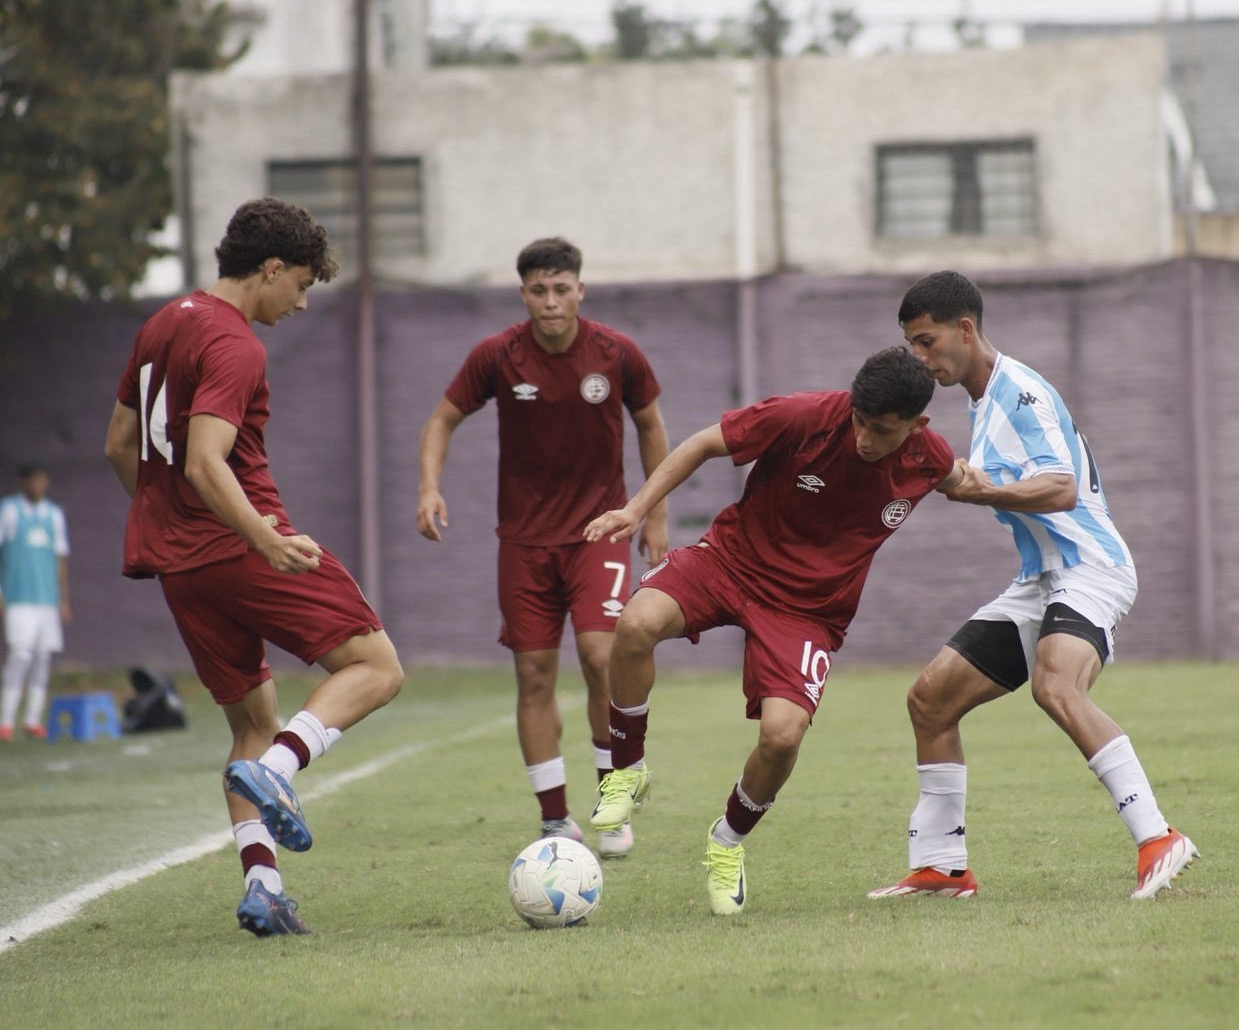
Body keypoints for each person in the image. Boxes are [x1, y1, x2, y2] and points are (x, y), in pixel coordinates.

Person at [103, 197, 405, 937]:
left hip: (180, 565)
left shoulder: (163, 322)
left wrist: (168, 524)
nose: (301, 302)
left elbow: (118, 446)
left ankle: (263, 888)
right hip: (241, 547)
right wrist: (261, 540)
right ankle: (284, 769)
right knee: (376, 665)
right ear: (269, 268)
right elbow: (207, 461)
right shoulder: (235, 343)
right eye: (299, 284)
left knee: (252, 724)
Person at [583, 347, 961, 916]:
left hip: (807, 611)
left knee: (783, 737)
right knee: (635, 623)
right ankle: (626, 771)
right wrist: (637, 509)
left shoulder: (929, 459)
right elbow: (702, 444)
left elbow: (966, 482)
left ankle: (727, 841)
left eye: (881, 430)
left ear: (917, 425)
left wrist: (1044, 499)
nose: (863, 437)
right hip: (730, 561)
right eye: (859, 420)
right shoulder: (805, 417)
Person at [869, 270, 1196, 903]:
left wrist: (981, 489)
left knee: (1054, 684)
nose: (920, 357)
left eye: (926, 341)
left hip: (1092, 569)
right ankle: (942, 865)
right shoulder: (981, 401)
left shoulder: (1019, 393)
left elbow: (1060, 487)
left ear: (966, 329)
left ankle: (1158, 837)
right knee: (930, 700)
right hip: (1044, 579)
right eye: (912, 345)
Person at [416, 236, 668, 860]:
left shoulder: (616, 354)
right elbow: (442, 418)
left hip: (598, 532)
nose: (551, 302)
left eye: (562, 289)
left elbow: (652, 425)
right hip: (523, 542)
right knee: (533, 674)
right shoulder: (498, 356)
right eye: (538, 290)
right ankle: (555, 820)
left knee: (598, 654)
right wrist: (429, 488)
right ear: (523, 293)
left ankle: (612, 804)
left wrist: (653, 514)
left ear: (580, 290)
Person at [0, 465, 71, 741]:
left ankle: (32, 720)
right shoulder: (9, 511)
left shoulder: (53, 515)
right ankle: (6, 720)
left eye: (42, 479)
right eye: (32, 480)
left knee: (42, 657)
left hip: (47, 600)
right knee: (20, 654)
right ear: (24, 482)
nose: (37, 485)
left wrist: (63, 599)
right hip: (19, 598)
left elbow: (60, 558)